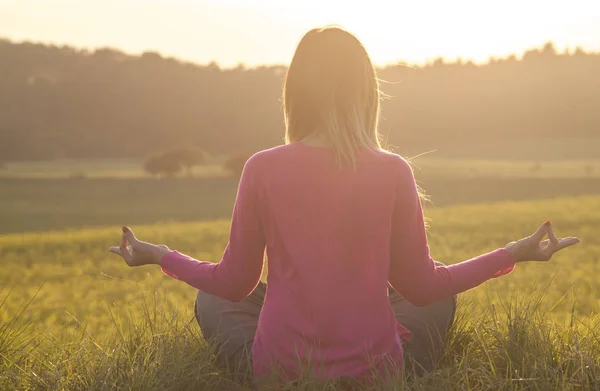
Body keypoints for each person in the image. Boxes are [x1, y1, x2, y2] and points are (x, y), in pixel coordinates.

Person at [109, 26, 580, 385]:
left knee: (213, 298)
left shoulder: (262, 168)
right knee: (434, 297)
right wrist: (514, 252)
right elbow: (421, 285)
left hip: (279, 374)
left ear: (294, 93)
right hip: (376, 377)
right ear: (366, 92)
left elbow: (234, 282)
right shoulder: (393, 170)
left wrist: (160, 255)